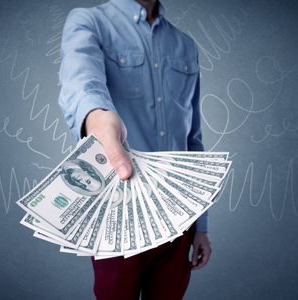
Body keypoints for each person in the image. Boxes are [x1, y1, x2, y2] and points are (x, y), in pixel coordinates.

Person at [58, 0, 212, 299]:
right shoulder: (89, 21)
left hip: (179, 216)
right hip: (118, 211)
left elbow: (193, 139)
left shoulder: (185, 45)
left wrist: (201, 225)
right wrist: (97, 117)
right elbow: (81, 83)